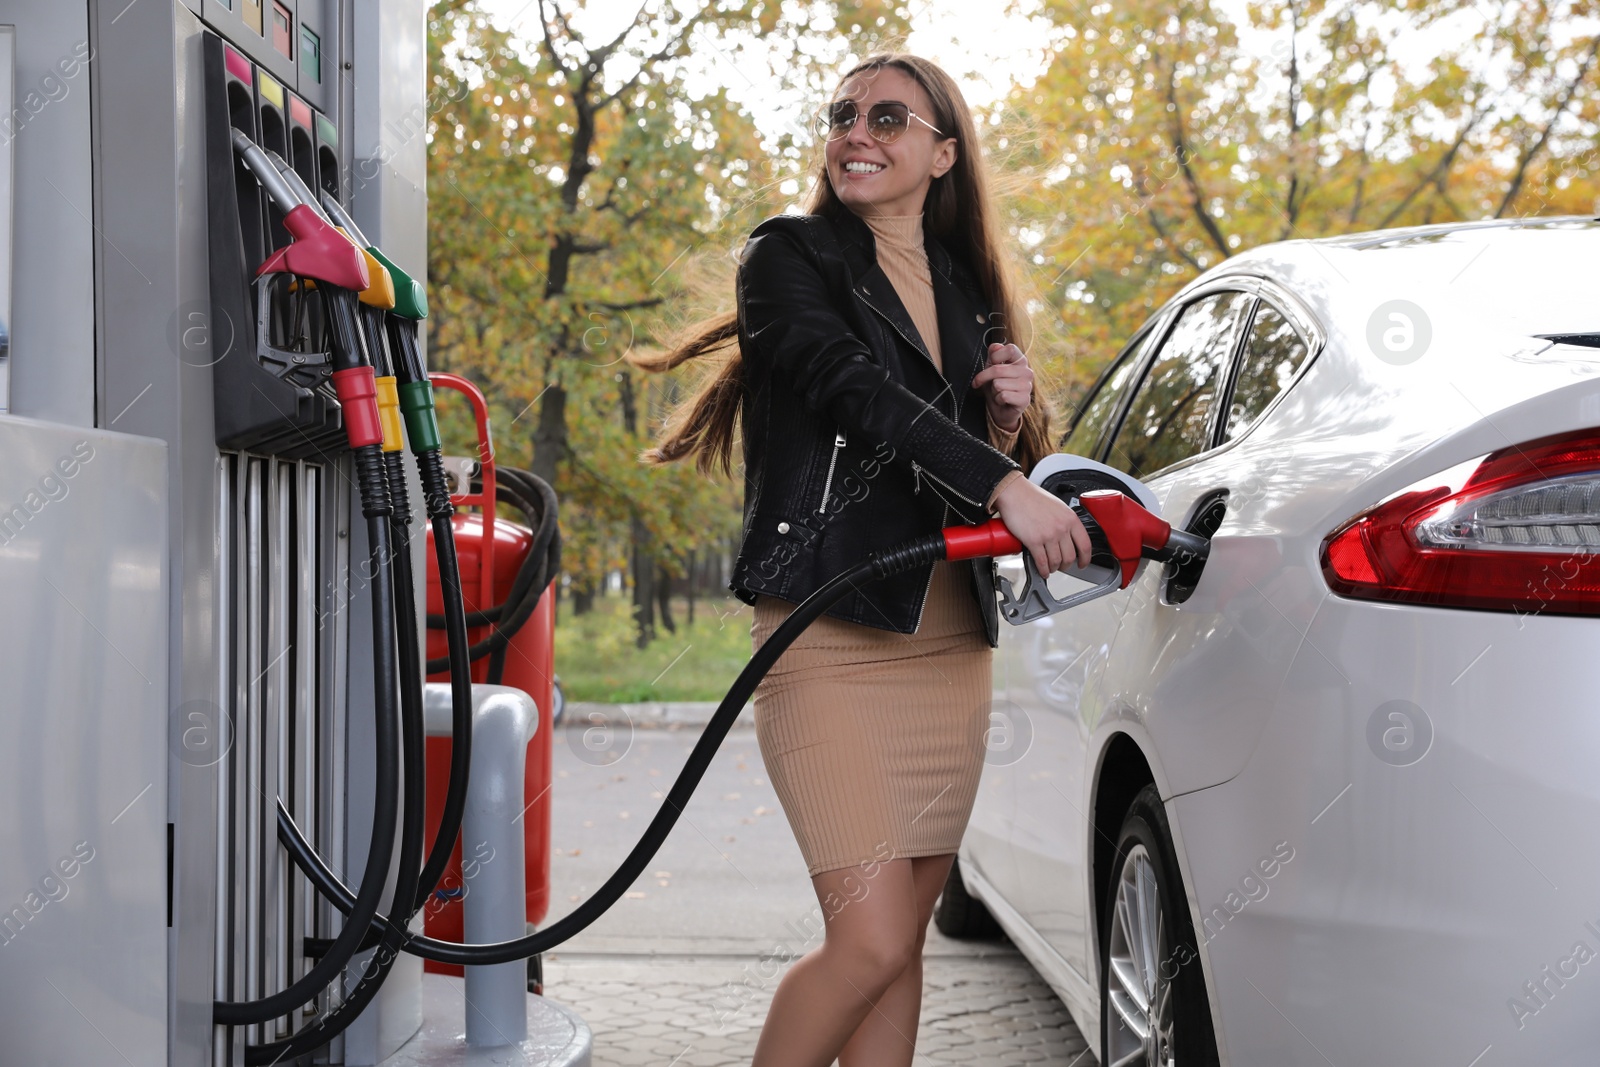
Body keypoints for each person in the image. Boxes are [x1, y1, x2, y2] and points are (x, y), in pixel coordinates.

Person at [633, 52, 1090, 1067]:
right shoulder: (789, 257)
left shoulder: (967, 289)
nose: (856, 131)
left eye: (888, 117)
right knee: (868, 936)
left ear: (941, 152)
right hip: (831, 633)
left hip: (948, 645)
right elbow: (853, 392)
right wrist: (1003, 479)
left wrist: (1006, 421)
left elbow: (950, 446)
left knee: (901, 947)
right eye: (843, 114)